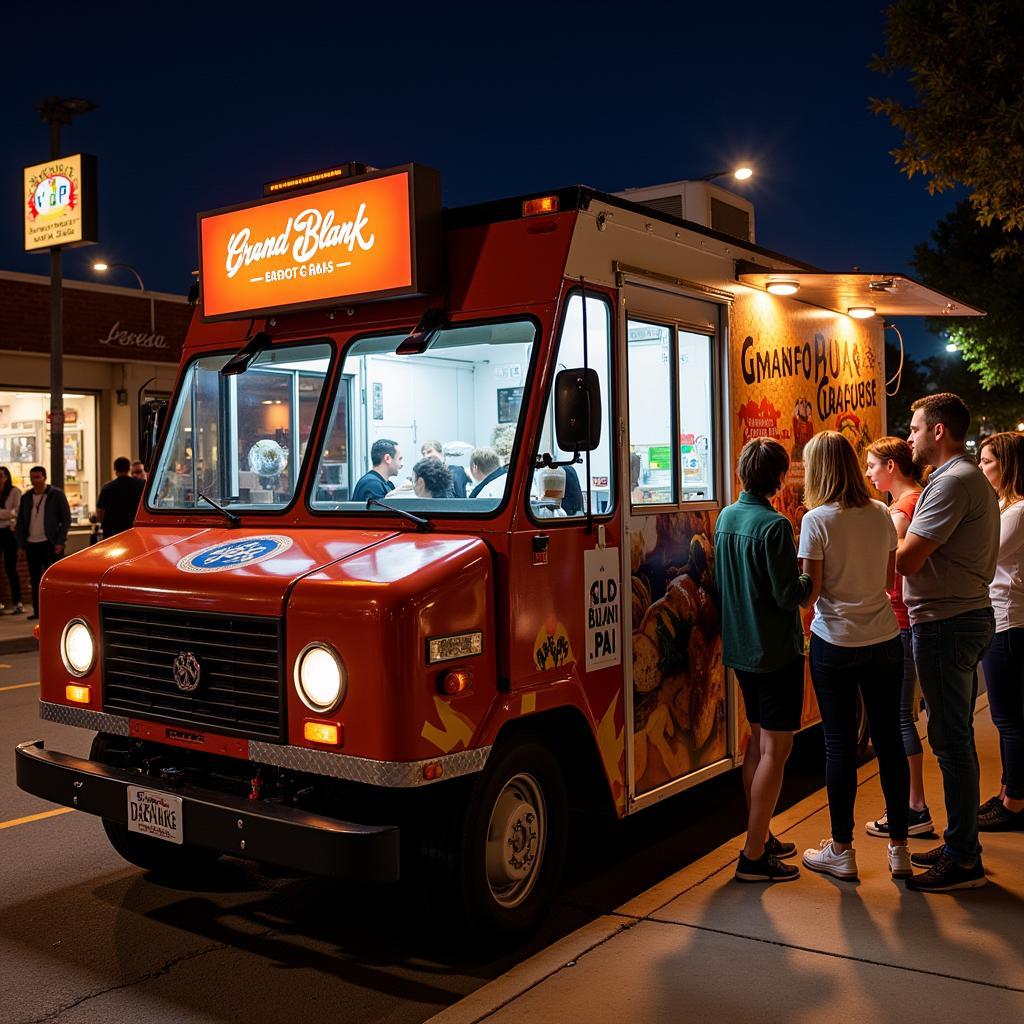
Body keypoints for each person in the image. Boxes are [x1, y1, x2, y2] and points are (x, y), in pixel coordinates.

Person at [797, 431, 911, 882]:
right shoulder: (881, 512)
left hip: (835, 642)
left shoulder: (816, 520)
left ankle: (841, 850)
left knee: (839, 745)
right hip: (884, 638)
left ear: (818, 470)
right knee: (888, 742)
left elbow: (811, 594)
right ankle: (899, 847)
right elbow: (888, 578)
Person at [898, 392, 999, 892]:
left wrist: (887, 529)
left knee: (951, 742)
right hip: (957, 616)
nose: (909, 436)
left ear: (939, 431)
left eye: (915, 428)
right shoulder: (955, 479)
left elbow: (907, 561)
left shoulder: (954, 481)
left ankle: (963, 860)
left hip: (946, 621)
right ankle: (961, 840)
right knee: (952, 736)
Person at [716, 437, 812, 884]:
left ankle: (761, 832)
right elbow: (787, 594)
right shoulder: (775, 527)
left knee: (756, 743)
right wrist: (811, 574)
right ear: (777, 478)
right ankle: (754, 856)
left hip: (741, 650)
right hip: (775, 651)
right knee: (778, 749)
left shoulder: (726, 518)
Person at [863, 436, 933, 838]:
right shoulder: (915, 500)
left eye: (873, 465)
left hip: (900, 621)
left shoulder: (899, 511)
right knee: (903, 716)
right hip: (907, 620)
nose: (869, 473)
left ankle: (915, 809)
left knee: (899, 718)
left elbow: (890, 570)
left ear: (892, 466)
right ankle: (914, 807)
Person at [976, 432, 1024, 831]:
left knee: (1009, 718)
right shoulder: (1006, 509)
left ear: (1007, 465)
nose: (981, 468)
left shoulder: (1016, 512)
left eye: (988, 461)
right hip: (1007, 620)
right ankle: (1012, 790)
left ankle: (1015, 802)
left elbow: (984, 559)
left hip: (1010, 622)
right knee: (1008, 716)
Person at [15, 466, 71, 621]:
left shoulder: (56, 495)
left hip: (50, 543)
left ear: (44, 478)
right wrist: (20, 545)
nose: (35, 481)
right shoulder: (26, 497)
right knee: (34, 579)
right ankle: (37, 611)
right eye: (32, 478)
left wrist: (60, 541)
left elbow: (66, 519)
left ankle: (54, 609)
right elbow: (21, 522)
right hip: (31, 543)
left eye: (38, 477)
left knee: (51, 579)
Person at [95, 457, 145, 539]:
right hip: (133, 531)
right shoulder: (141, 485)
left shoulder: (107, 488)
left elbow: (100, 513)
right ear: (129, 468)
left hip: (112, 533)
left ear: (115, 469)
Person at [0, 466, 23, 614]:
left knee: (10, 568)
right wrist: (6, 514)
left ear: (7, 477)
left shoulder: (15, 491)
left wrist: (7, 514)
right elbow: (9, 513)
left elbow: (15, 512)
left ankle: (17, 602)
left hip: (9, 532)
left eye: (1, 476)